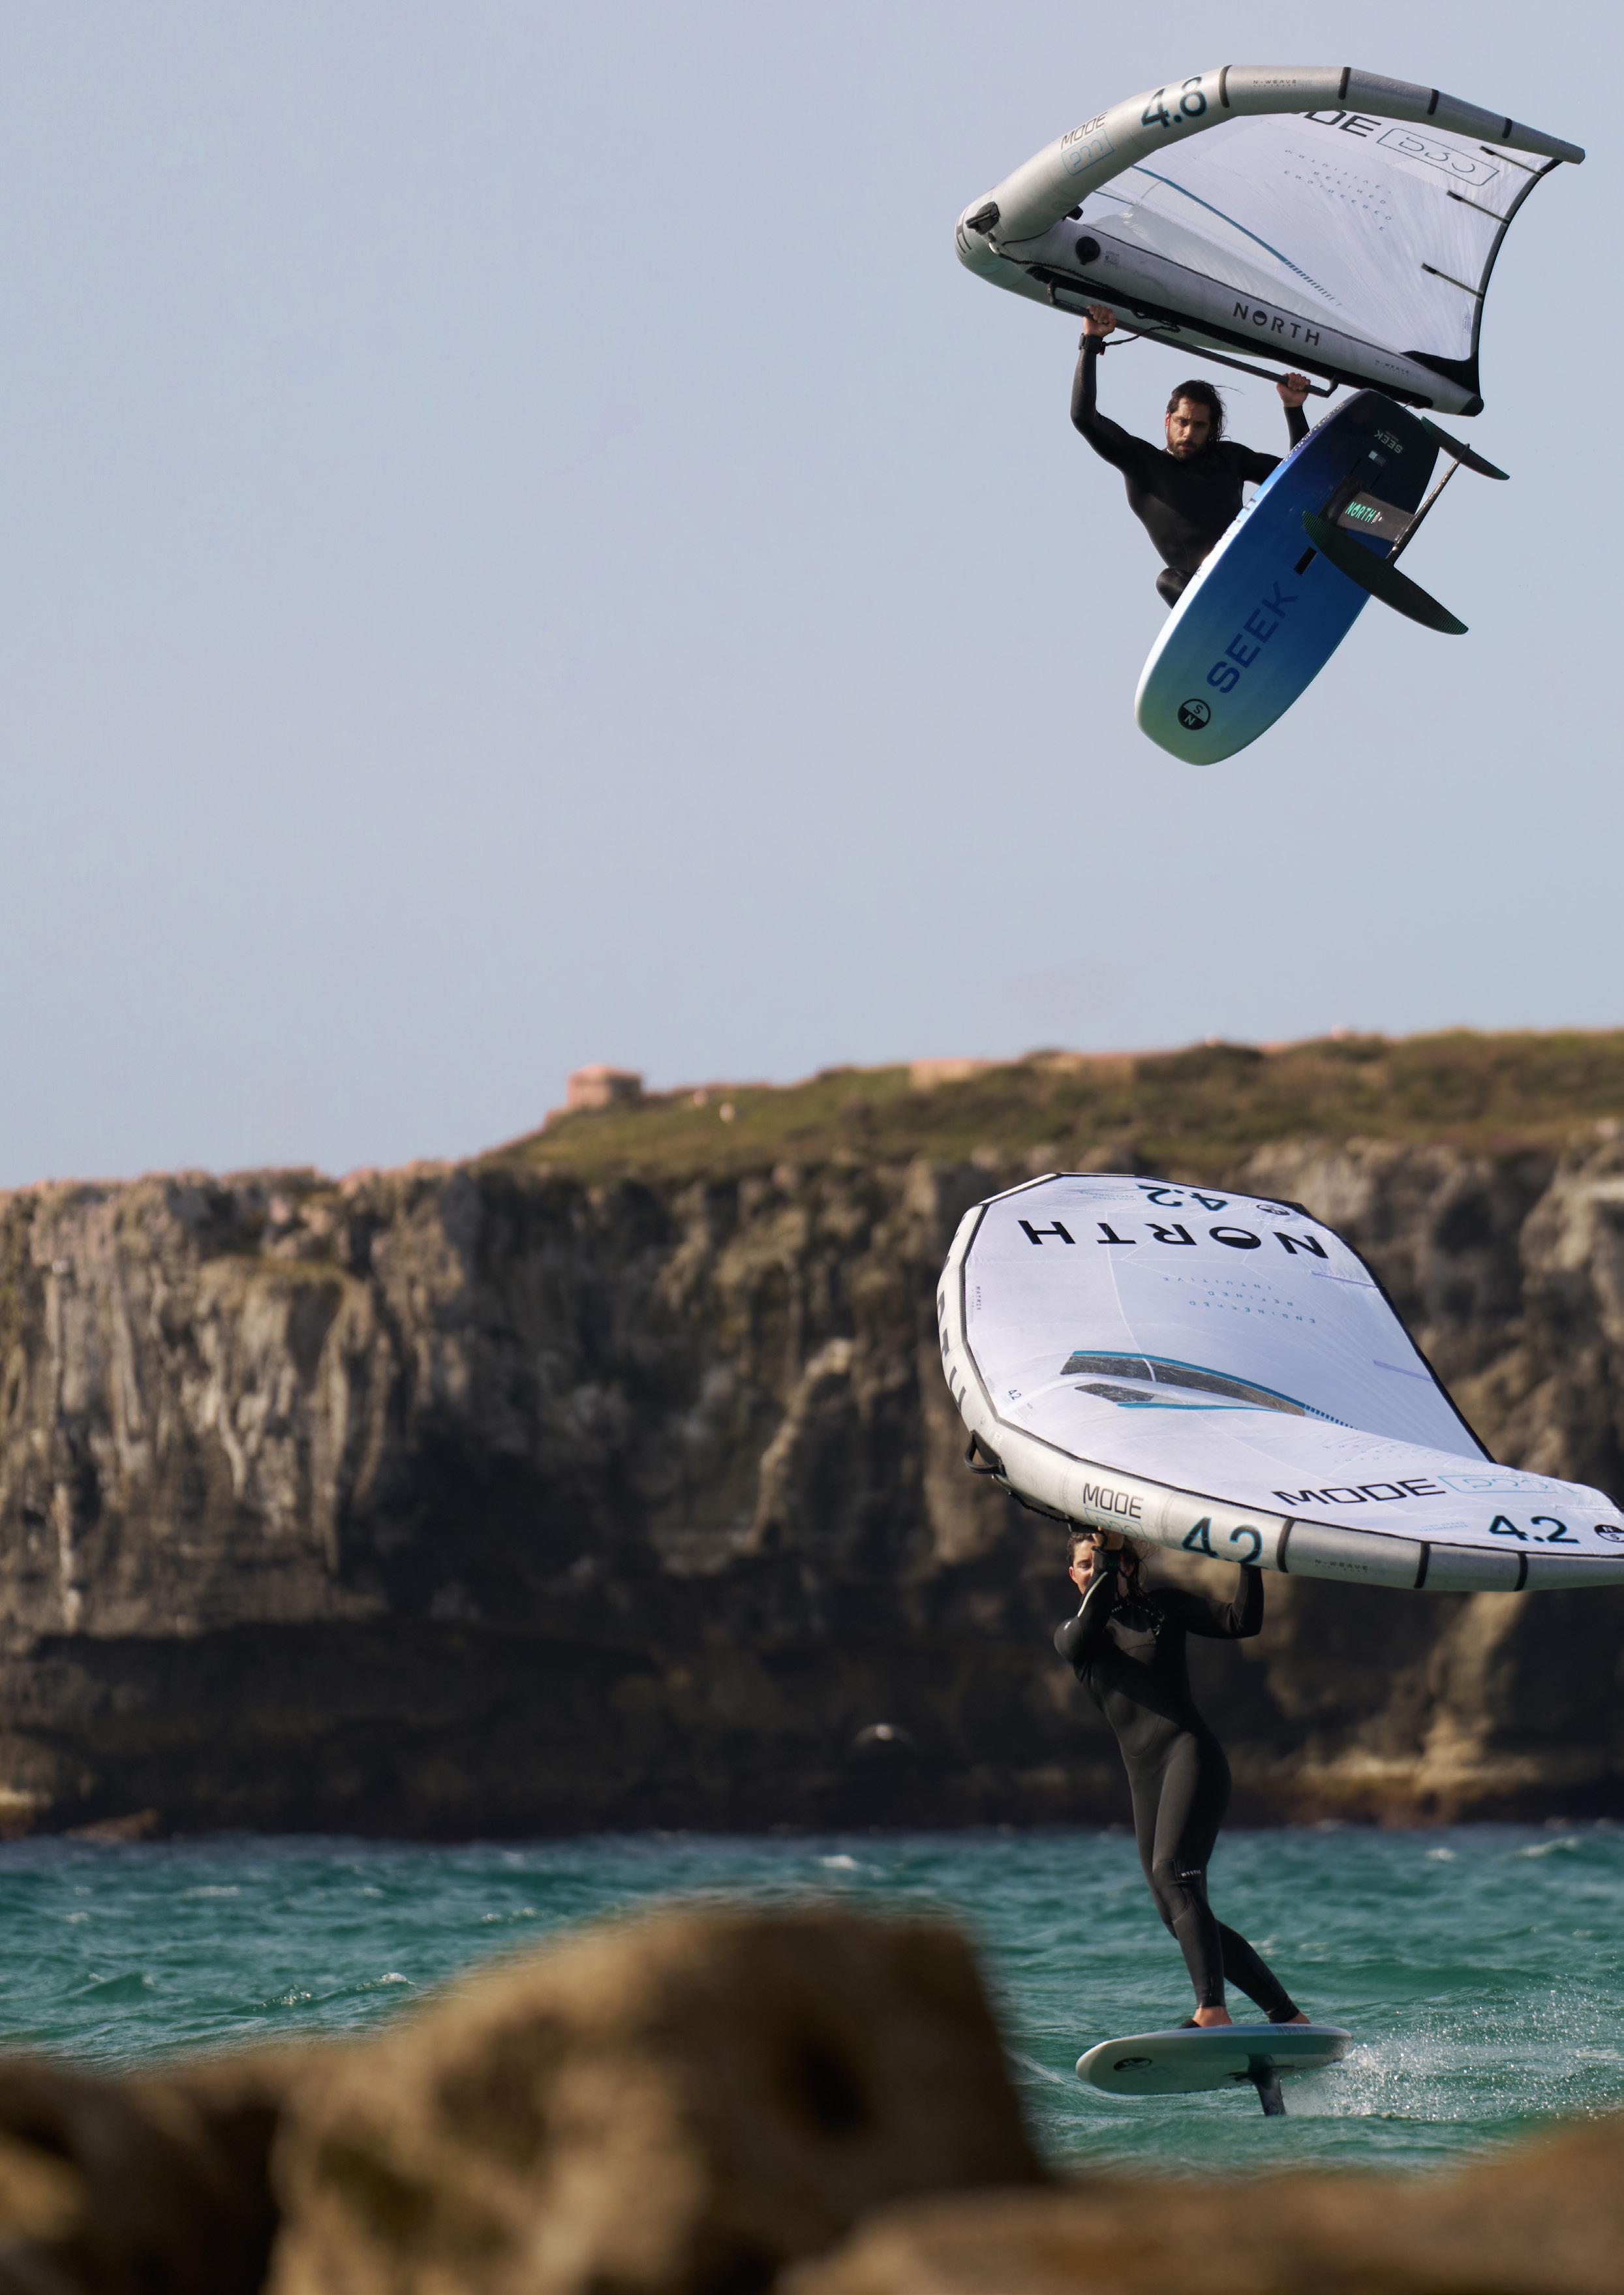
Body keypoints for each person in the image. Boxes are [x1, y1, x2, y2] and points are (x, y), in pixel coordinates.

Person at [1055, 1525, 1309, 2028]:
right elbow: (1092, 1618)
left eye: (1104, 1559)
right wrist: (1107, 1557)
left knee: (1175, 1877)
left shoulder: (1163, 1608)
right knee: (1176, 1911)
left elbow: (1241, 1621)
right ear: (1073, 1575)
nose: (1096, 1568)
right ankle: (1287, 2016)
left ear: (1130, 1565)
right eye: (1085, 1563)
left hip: (1190, 1757)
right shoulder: (1074, 1635)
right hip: (1145, 1779)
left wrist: (1250, 1557)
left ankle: (1211, 2010)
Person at [1072, 305, 1313, 606]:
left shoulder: (1230, 458)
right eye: (1182, 422)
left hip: (1259, 572)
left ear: (1211, 429)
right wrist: (1091, 340)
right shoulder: (1144, 464)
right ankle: (1219, 619)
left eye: (1199, 426)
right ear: (1167, 420)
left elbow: (1301, 477)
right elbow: (1084, 418)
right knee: (1167, 581)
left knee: (1295, 511)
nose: (1188, 433)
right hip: (1208, 593)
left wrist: (1293, 408)